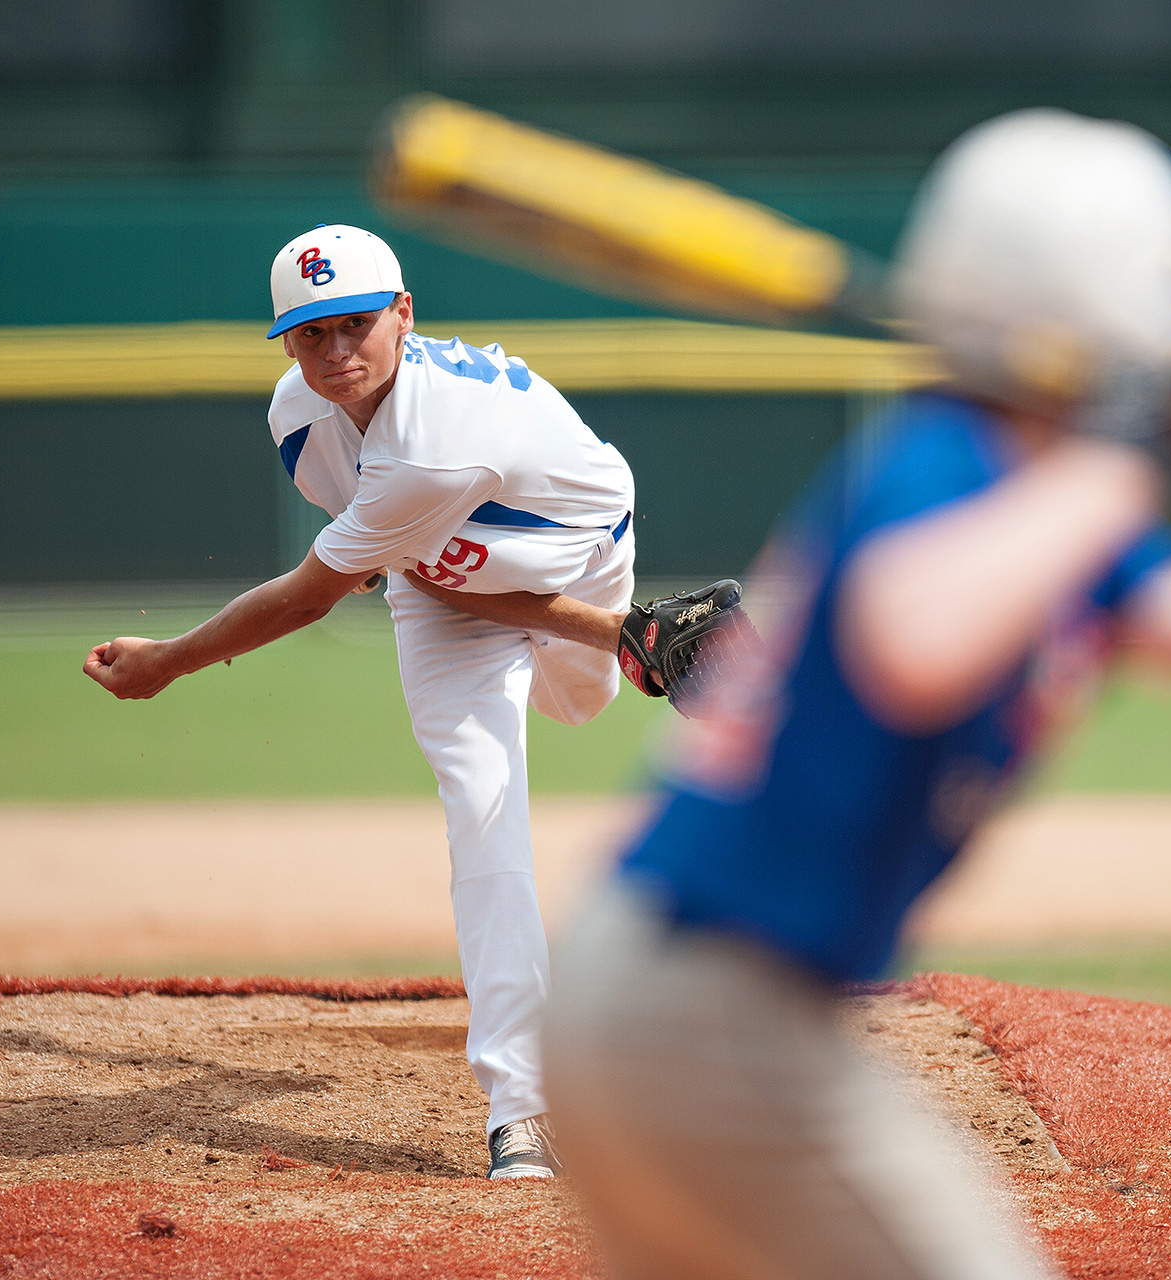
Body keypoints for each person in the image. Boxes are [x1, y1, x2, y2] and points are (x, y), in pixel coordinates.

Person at [542, 108, 1171, 1280]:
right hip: (705, 1000)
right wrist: (1119, 462)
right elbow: (912, 640)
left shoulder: (1050, 512)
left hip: (702, 1005)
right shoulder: (939, 460)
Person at [82, 224, 727, 1180]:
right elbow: (389, 576)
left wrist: (168, 661)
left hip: (574, 550)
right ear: (285, 343)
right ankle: (526, 1105)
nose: (335, 354)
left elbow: (313, 592)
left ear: (403, 314)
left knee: (579, 706)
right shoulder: (299, 419)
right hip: (438, 587)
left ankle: (618, 644)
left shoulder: (438, 439)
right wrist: (626, 635)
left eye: (355, 325)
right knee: (483, 806)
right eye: (308, 334)